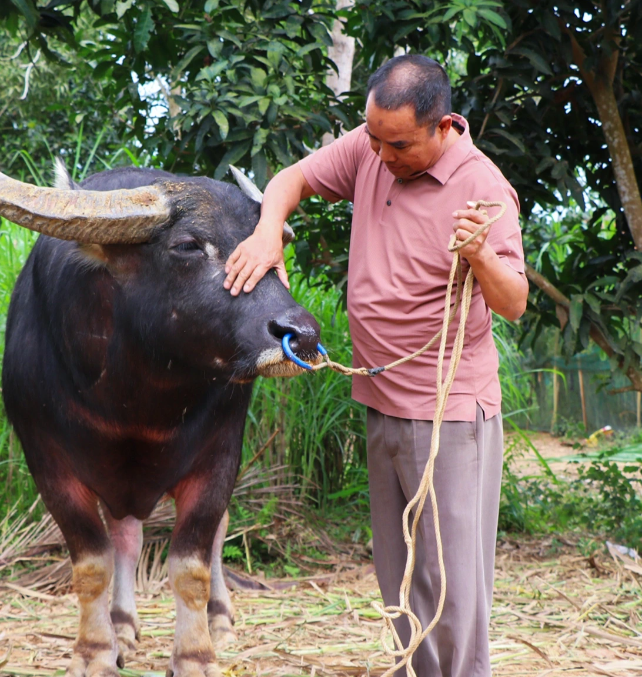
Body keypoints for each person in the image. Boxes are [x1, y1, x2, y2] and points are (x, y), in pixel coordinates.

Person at [224, 54, 527, 677]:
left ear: (444, 127)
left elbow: (514, 302)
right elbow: (291, 179)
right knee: (399, 573)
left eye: (399, 145)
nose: (382, 157)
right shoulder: (371, 146)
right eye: (374, 138)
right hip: (382, 399)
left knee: (452, 585)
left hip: (448, 415)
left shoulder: (482, 186)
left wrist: (479, 256)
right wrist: (267, 231)